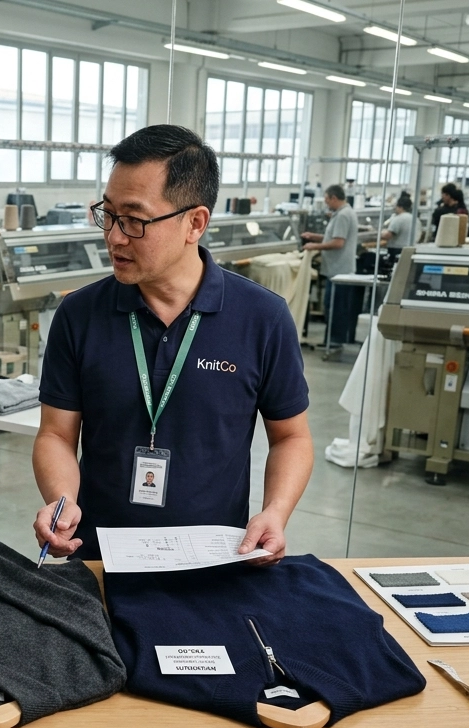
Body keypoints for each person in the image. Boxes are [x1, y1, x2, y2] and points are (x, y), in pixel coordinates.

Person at [32, 124, 312, 563]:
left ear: (195, 223)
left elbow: (291, 436)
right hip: (98, 556)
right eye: (108, 214)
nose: (114, 237)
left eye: (135, 220)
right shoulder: (80, 314)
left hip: (215, 559)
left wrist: (275, 512)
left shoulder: (262, 318)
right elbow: (55, 433)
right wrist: (62, 499)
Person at [302, 184, 359, 346]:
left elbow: (338, 243)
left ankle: (333, 342)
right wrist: (314, 236)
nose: (326, 203)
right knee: (335, 305)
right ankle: (333, 340)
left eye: (327, 199)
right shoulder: (344, 213)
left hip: (338, 270)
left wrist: (314, 246)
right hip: (337, 269)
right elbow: (333, 237)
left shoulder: (343, 215)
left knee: (335, 307)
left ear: (334, 198)